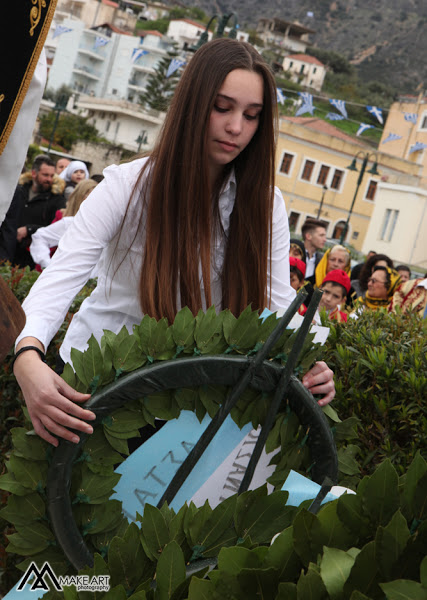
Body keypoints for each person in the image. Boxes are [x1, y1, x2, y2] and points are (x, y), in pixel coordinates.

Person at [13, 39, 335, 447]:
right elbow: (60, 277)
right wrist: (27, 357)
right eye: (222, 108)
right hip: (93, 396)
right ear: (192, 103)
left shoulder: (265, 203)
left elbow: (277, 300)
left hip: (193, 410)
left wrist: (309, 362)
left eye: (252, 116)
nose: (236, 127)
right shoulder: (127, 187)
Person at [29, 179, 98, 269]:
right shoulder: (68, 221)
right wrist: (47, 264)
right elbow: (42, 238)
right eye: (90, 197)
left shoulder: (97, 224)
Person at [12, 154, 66, 268]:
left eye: (52, 175)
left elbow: (55, 228)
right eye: (45, 175)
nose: (49, 179)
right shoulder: (19, 191)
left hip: (31, 259)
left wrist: (29, 229)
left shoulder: (57, 200)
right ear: (33, 173)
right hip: (9, 249)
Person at [301, 218, 327, 285]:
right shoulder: (295, 254)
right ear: (308, 236)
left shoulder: (322, 260)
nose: (325, 240)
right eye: (321, 235)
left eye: (325, 236)